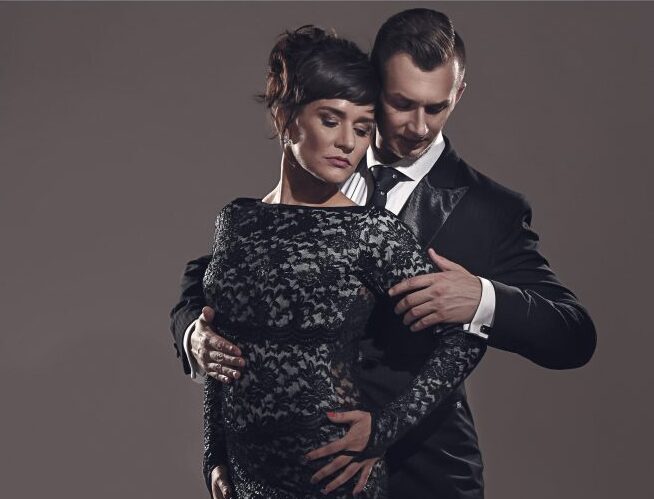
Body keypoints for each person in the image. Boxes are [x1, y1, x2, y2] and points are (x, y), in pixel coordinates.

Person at [170, 9, 596, 499]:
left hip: (423, 476)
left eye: (436, 108)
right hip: (285, 475)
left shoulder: (490, 211)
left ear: (458, 94)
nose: (419, 127)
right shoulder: (318, 170)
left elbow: (573, 334)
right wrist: (194, 336)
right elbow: (210, 283)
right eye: (401, 104)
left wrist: (481, 299)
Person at [196, 25, 486, 499]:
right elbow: (222, 344)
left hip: (334, 481)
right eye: (331, 120)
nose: (349, 142)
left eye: (363, 128)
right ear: (286, 117)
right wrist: (214, 454)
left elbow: (464, 337)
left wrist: (384, 428)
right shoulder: (236, 221)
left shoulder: (371, 232)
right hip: (247, 482)